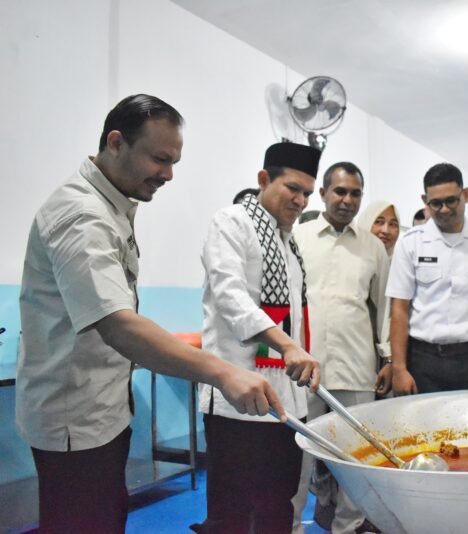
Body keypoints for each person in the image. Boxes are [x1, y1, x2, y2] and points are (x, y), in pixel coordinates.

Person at [15, 95, 313, 534]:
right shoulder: (82, 215)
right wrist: (224, 372)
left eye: (174, 161)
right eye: (159, 159)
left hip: (104, 408)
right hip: (74, 415)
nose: (169, 174)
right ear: (116, 143)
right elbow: (118, 324)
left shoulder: (114, 206)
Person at [195, 142, 323, 533]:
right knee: (233, 511)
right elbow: (230, 297)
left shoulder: (289, 241)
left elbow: (296, 322)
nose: (301, 200)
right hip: (238, 400)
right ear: (263, 179)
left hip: (285, 401)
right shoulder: (232, 222)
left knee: (278, 503)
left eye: (307, 193)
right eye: (292, 188)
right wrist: (286, 345)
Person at [292, 162, 392, 534]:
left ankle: (347, 528)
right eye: (340, 191)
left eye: (355, 193)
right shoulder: (298, 238)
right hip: (303, 368)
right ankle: (292, 527)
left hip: (356, 368)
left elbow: (383, 307)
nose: (347, 200)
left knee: (356, 459)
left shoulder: (372, 247)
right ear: (323, 194)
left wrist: (387, 357)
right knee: (299, 458)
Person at [387, 162, 468, 395]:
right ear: (425, 200)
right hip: (423, 361)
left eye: (451, 201)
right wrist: (399, 368)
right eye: (436, 203)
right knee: (422, 429)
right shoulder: (411, 243)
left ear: (465, 195)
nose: (444, 209)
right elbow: (399, 309)